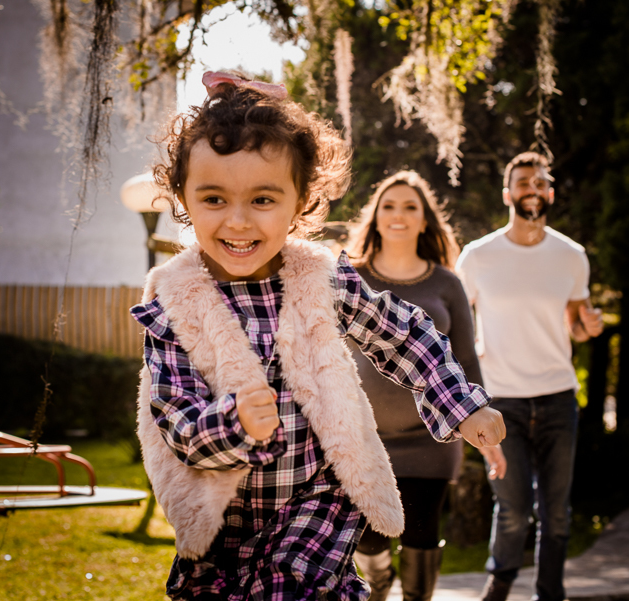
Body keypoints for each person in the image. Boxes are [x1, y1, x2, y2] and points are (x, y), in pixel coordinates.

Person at [130, 71, 506, 601]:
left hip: (317, 501)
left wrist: (461, 405)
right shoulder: (174, 303)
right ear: (182, 197)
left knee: (293, 588)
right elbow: (176, 418)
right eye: (214, 198)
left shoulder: (320, 279)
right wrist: (233, 422)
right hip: (223, 520)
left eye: (263, 199)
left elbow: (405, 336)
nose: (238, 222)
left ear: (301, 200)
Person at [345, 171, 503, 601]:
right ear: (375, 217)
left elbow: (466, 361)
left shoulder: (447, 284)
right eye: (389, 206)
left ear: (424, 220)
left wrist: (483, 431)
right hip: (360, 439)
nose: (398, 215)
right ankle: (378, 586)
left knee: (421, 532)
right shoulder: (349, 278)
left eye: (410, 207)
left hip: (432, 440)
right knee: (368, 538)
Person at [455, 152, 604, 601]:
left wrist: (589, 326)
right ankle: (498, 588)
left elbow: (576, 324)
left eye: (540, 183)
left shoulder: (571, 256)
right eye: (523, 182)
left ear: (550, 193)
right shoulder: (477, 256)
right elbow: (457, 326)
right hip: (501, 402)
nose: (532, 190)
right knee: (514, 508)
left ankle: (550, 593)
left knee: (556, 513)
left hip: (558, 398)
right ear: (508, 194)